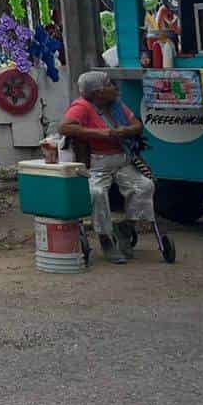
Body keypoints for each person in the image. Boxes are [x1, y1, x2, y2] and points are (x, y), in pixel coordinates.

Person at [59, 70, 155, 264]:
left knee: (145, 186)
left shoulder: (116, 104)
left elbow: (137, 125)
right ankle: (105, 239)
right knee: (96, 193)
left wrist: (125, 130)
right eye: (110, 84)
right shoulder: (82, 107)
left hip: (123, 161)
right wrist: (101, 133)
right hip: (97, 164)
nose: (115, 87)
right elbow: (65, 127)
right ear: (98, 92)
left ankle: (127, 229)